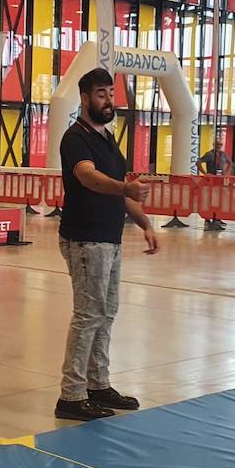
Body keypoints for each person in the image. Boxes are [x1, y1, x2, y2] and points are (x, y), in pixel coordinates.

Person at [56, 67, 159, 421]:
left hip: (109, 239)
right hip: (85, 239)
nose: (107, 100)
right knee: (87, 315)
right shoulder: (76, 138)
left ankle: (98, 383)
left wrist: (144, 221)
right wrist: (124, 188)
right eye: (100, 94)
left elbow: (118, 188)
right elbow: (88, 177)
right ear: (85, 98)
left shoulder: (107, 138)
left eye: (110, 94)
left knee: (106, 313)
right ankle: (71, 395)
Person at [198, 137, 231, 230]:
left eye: (220, 144)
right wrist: (205, 173)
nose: (219, 146)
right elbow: (198, 162)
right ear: (214, 145)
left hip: (220, 180)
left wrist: (226, 173)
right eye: (217, 144)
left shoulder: (223, 154)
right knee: (209, 199)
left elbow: (229, 162)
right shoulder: (209, 154)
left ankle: (217, 218)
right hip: (211, 180)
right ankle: (207, 218)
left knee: (219, 199)